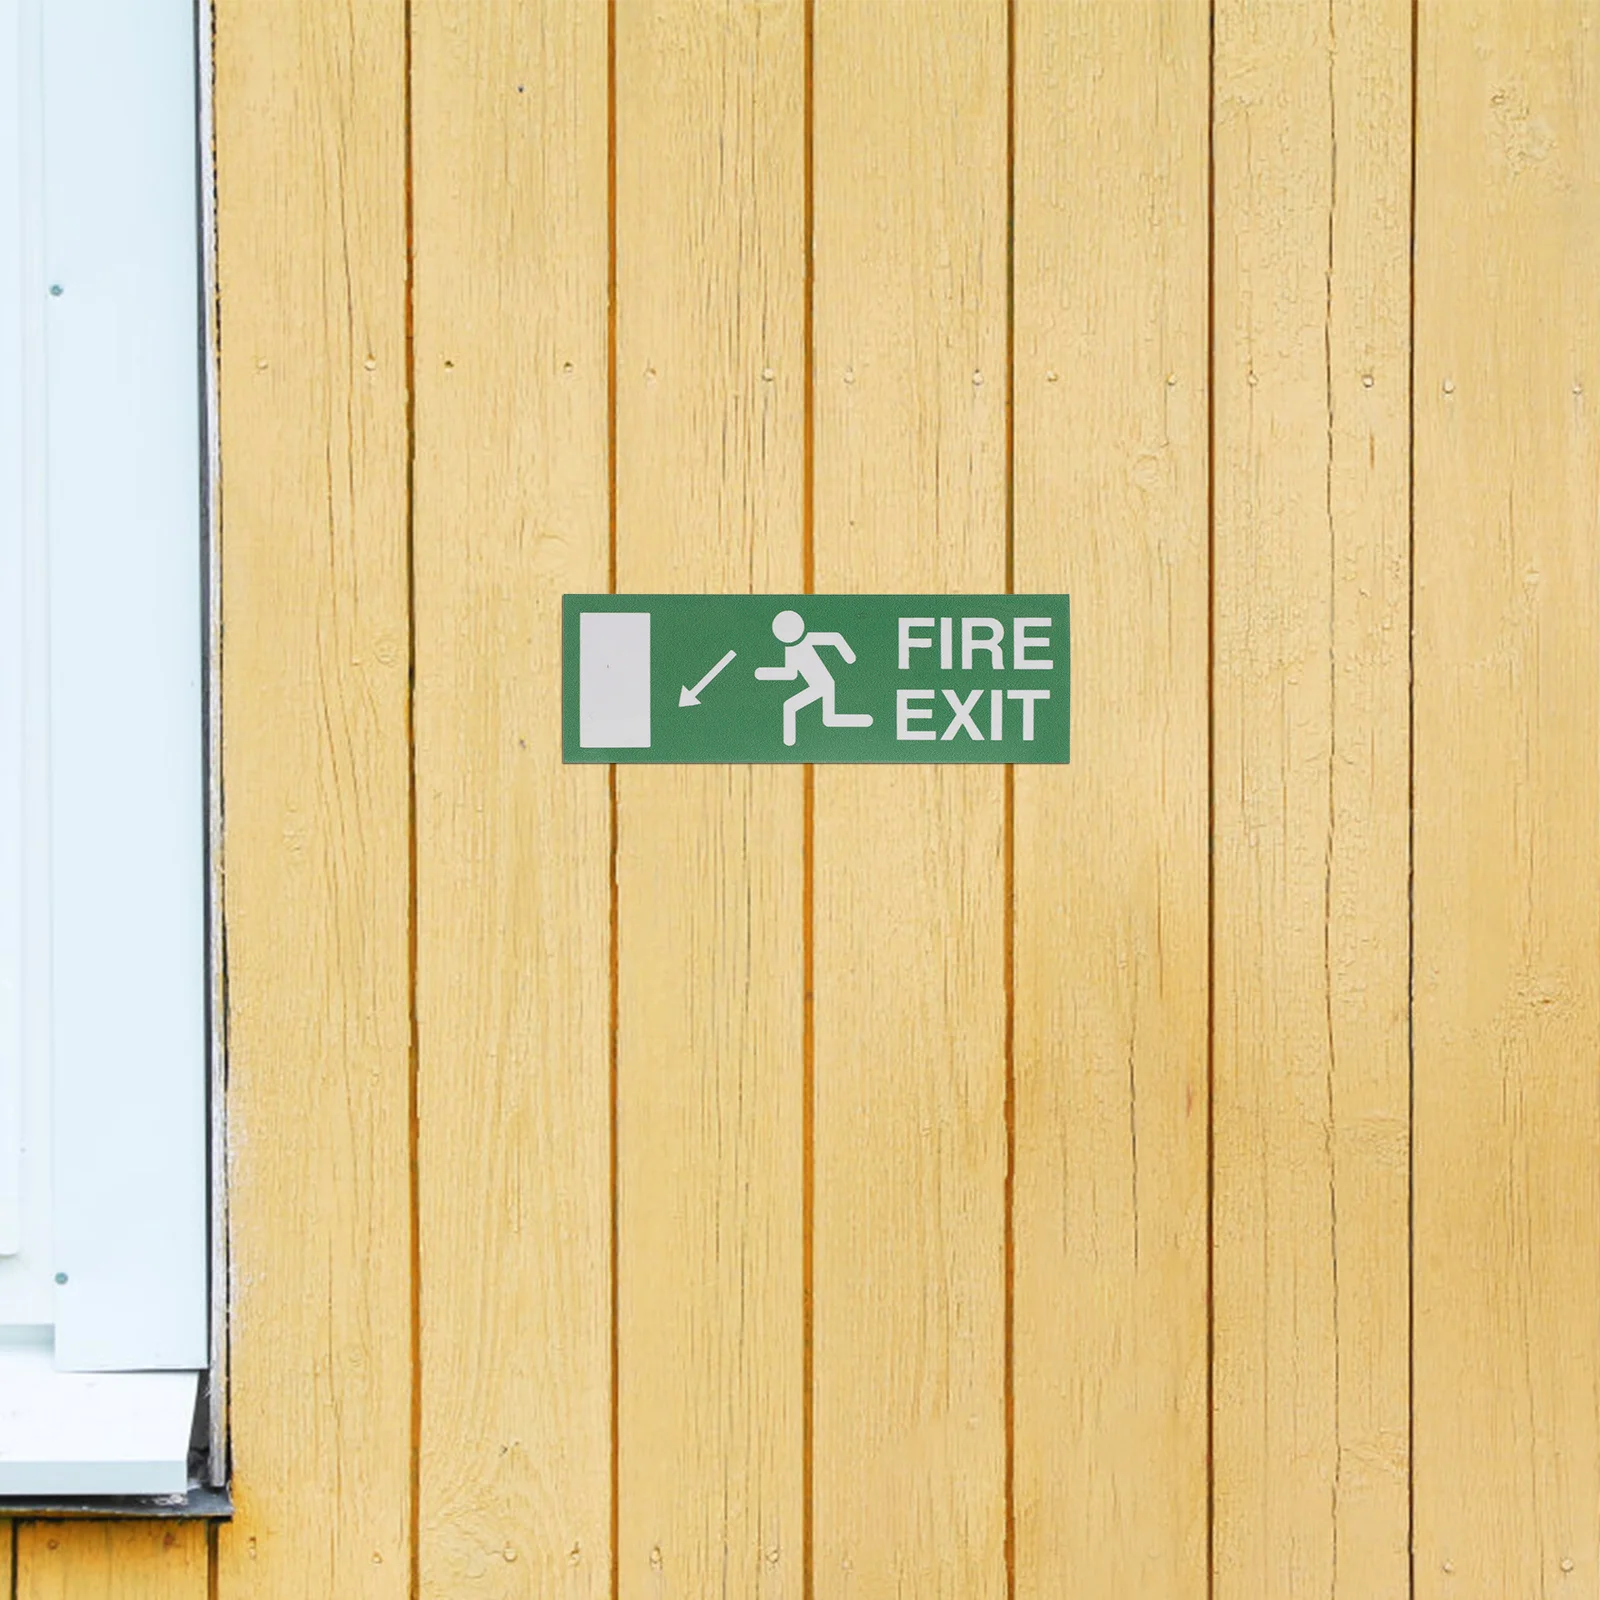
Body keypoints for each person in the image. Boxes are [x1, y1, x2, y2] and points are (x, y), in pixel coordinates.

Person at [754, 609, 874, 746]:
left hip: (822, 685)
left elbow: (835, 638)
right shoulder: (791, 650)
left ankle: (789, 743)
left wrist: (849, 656)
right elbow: (791, 673)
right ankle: (863, 720)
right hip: (823, 684)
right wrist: (765, 673)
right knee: (827, 718)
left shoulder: (809, 638)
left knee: (791, 706)